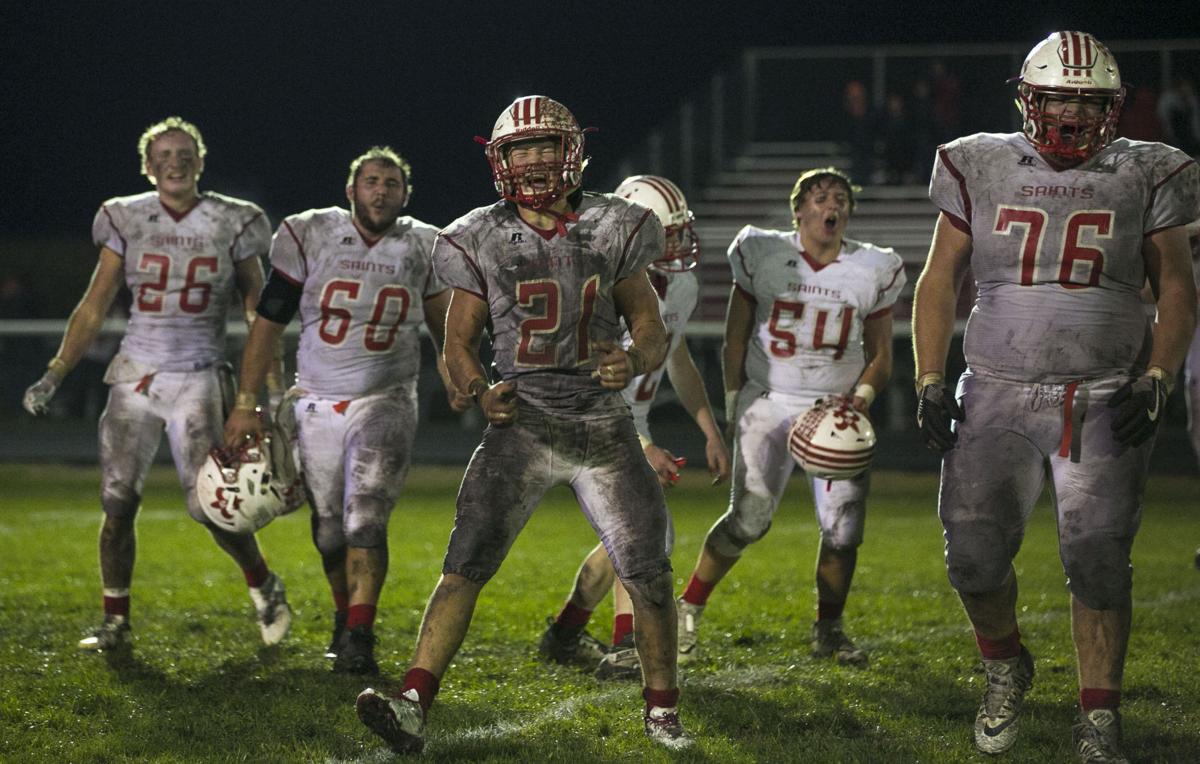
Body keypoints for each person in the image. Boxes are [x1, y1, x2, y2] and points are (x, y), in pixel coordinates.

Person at [354, 95, 689, 752]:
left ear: (573, 152)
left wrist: (632, 358)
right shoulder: (477, 233)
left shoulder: (617, 225)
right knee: (463, 566)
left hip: (602, 427)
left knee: (648, 575)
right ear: (498, 160)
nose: (532, 161)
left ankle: (662, 712)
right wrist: (480, 391)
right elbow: (457, 343)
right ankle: (412, 703)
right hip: (522, 424)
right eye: (519, 149)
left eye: (543, 147)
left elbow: (650, 325)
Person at [912, 32, 1198, 762]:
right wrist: (930, 376)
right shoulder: (981, 160)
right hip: (996, 389)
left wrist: (1158, 377)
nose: (1072, 114)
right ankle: (1006, 663)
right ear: (1027, 100)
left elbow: (1175, 285)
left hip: (1102, 392)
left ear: (1113, 108)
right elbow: (940, 277)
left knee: (1099, 556)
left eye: (1087, 102)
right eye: (1058, 99)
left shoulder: (1148, 169)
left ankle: (1099, 716)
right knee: (972, 556)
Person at [22, 116, 292, 651]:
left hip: (198, 374)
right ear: (147, 166)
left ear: (201, 161)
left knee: (209, 505)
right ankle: (115, 620)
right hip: (136, 374)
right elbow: (94, 305)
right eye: (163, 155)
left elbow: (259, 312)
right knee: (117, 502)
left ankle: (264, 584)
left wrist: (273, 388)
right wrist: (56, 371)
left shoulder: (234, 220)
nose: (175, 162)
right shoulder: (124, 216)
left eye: (185, 153)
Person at [223, 147, 468, 675]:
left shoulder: (422, 244)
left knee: (367, 515)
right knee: (330, 528)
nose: (381, 191)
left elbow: (445, 326)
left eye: (392, 183)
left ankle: (360, 633)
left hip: (386, 397)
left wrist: (458, 377)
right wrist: (245, 403)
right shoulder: (309, 233)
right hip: (315, 399)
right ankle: (343, 616)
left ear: (406, 195)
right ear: (351, 189)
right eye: (372, 181)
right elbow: (268, 323)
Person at [673, 167, 905, 669]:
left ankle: (829, 630)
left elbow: (882, 356)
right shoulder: (762, 252)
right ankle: (687, 608)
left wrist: (862, 396)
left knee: (844, 531)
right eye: (820, 197)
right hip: (769, 399)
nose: (832, 204)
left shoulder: (871, 267)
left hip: (836, 408)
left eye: (841, 197)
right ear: (798, 210)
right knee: (749, 519)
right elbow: (735, 337)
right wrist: (733, 404)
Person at [537, 175, 731, 681]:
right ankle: (626, 646)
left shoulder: (679, 284)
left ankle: (565, 633)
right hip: (583, 411)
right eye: (667, 234)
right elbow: (582, 376)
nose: (677, 243)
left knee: (622, 537)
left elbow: (676, 358)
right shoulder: (593, 281)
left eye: (679, 231)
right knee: (645, 529)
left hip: (627, 416)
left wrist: (709, 428)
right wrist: (641, 444)